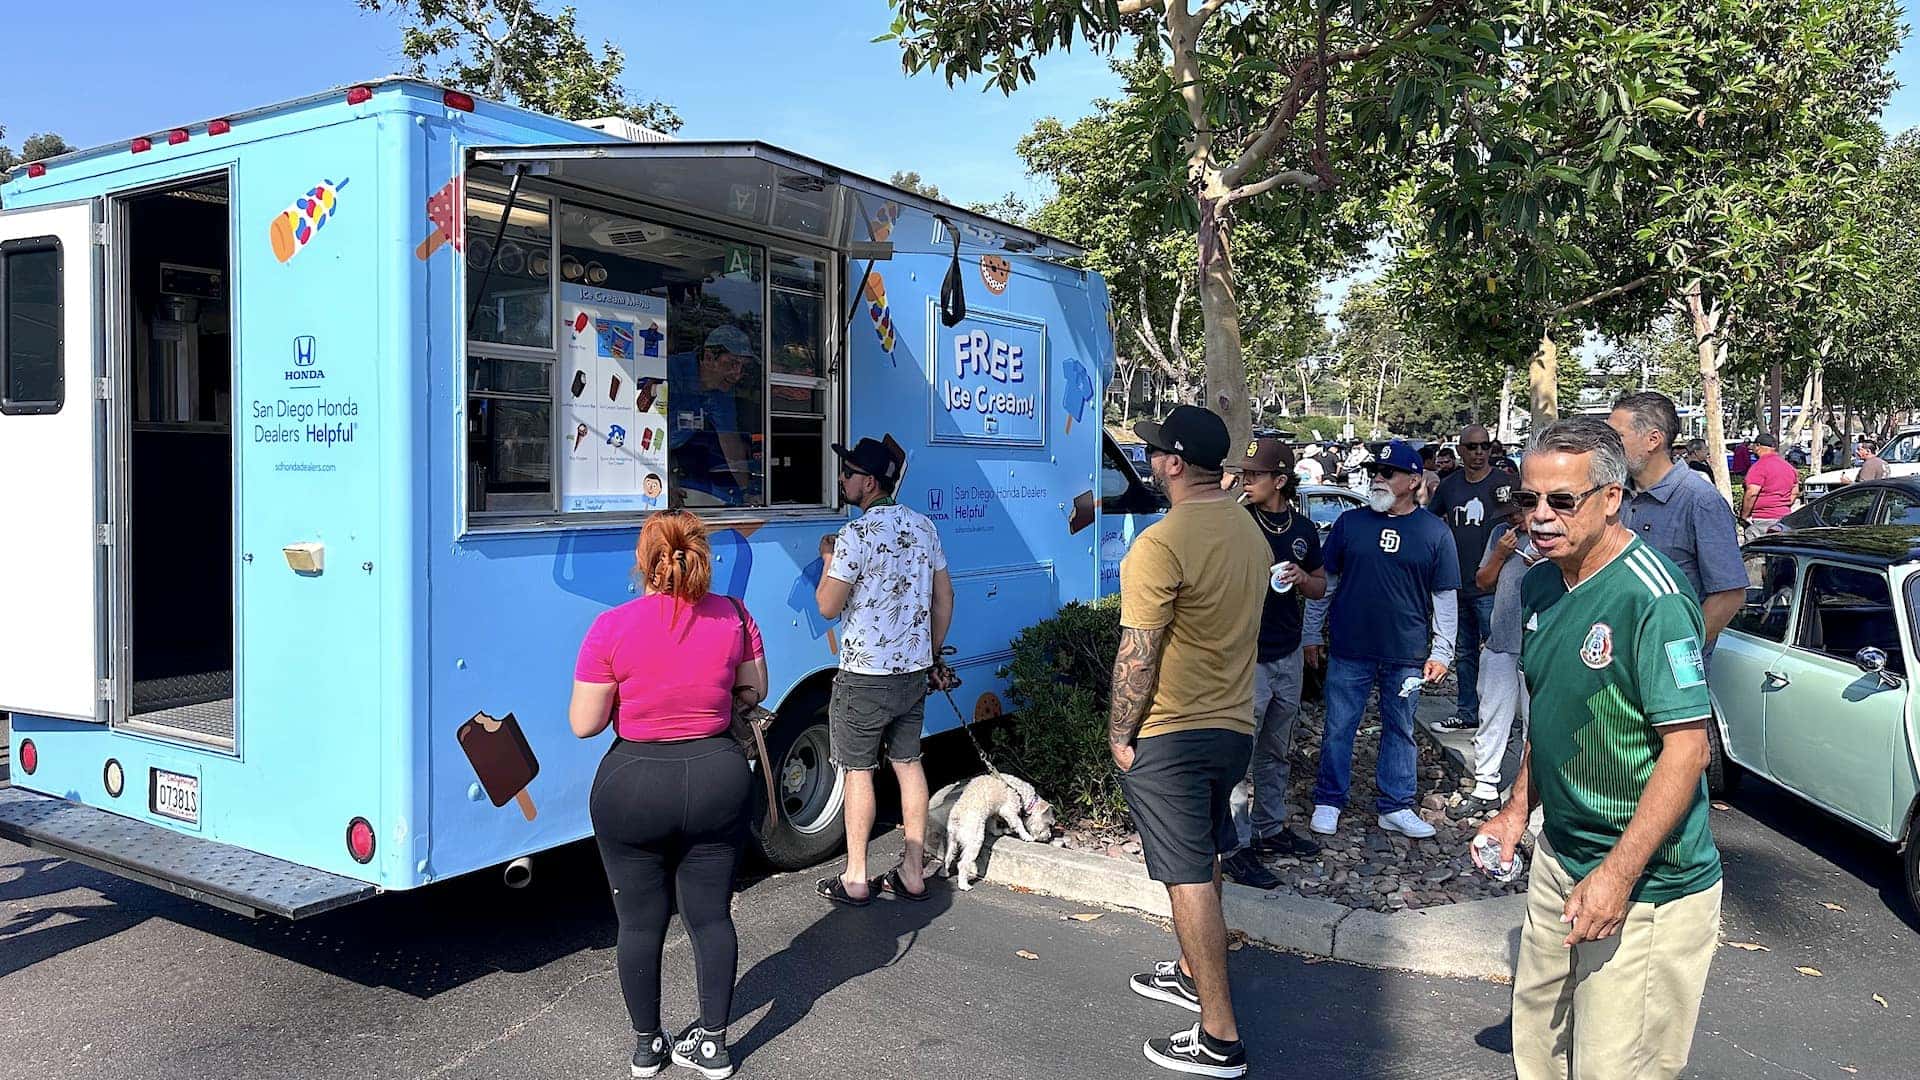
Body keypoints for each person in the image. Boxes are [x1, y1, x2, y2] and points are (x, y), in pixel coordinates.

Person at [1474, 418, 1722, 1080]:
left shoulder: (1655, 597)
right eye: (1528, 501)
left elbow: (1688, 750)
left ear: (1611, 498)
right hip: (1562, 857)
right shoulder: (1539, 584)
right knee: (1540, 1047)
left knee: (1614, 1067)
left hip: (1646, 883)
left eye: (1563, 500)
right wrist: (1516, 811)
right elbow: (1555, 714)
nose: (1540, 517)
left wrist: (1616, 875)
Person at [569, 510, 766, 1079]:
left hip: (633, 784)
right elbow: (756, 689)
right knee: (710, 916)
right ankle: (713, 1046)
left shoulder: (611, 626)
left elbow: (585, 723)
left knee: (638, 923)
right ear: (703, 555)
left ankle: (648, 1047)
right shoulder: (734, 614)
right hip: (717, 777)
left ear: (644, 561)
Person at [1110, 405, 1266, 1078]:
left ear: (1174, 463)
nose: (1148, 459)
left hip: (1172, 734)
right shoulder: (1248, 530)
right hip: (1232, 728)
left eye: (1154, 451)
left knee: (1185, 876)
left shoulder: (1161, 543)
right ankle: (1186, 972)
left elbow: (1136, 656)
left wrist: (1120, 732)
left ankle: (1219, 1037)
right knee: (1204, 857)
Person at [815, 436, 955, 906]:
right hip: (912, 674)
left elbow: (828, 605)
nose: (842, 479)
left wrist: (829, 561)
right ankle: (913, 873)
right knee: (908, 765)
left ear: (869, 483)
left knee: (859, 772)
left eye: (848, 473)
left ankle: (857, 877)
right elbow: (944, 599)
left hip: (864, 677)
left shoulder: (854, 536)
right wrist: (930, 654)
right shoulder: (924, 527)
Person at [1301, 439, 1459, 840]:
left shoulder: (1434, 532)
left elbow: (1444, 596)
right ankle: (1329, 799)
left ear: (1413, 480)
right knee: (1339, 725)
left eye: (1387, 473)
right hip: (1350, 647)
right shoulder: (1349, 524)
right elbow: (1328, 584)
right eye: (1375, 471)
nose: (1378, 478)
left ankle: (1396, 804)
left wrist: (1443, 651)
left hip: (1405, 652)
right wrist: (1310, 633)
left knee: (1401, 728)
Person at [1222, 437, 1328, 889]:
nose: (1247, 481)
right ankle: (1235, 847)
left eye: (1255, 475)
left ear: (1280, 480)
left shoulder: (1303, 530)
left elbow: (1321, 586)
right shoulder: (1237, 522)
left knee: (1276, 751)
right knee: (1237, 757)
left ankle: (1270, 829)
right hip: (1247, 657)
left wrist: (1302, 576)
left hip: (1286, 655)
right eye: (1244, 474)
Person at [1609, 393, 1747, 653]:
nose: (1609, 446)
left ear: (1653, 439)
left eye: (1618, 437)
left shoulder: (1700, 501)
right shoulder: (1615, 496)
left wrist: (1678, 653)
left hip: (1668, 677)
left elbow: (1730, 595)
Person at [1428, 424, 1520, 732]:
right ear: (1460, 450)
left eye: (1484, 446)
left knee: (1502, 654)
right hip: (1456, 582)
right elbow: (1430, 522)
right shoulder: (1450, 486)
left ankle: (1506, 719)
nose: (1479, 452)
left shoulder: (1503, 483)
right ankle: (1468, 712)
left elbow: (1519, 521)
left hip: (1495, 584)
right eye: (1472, 447)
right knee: (1465, 653)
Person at [1460, 494, 1540, 815]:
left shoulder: (1552, 532)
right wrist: (1500, 554)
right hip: (1501, 640)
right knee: (1492, 714)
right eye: (1507, 515)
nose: (1513, 521)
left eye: (1517, 514)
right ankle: (1485, 786)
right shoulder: (1500, 535)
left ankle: (1532, 793)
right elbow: (1482, 581)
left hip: (1538, 645)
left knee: (1537, 724)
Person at [668, 325, 760, 506]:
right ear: (709, 357)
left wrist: (747, 492)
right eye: (732, 364)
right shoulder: (672, 372)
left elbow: (730, 443)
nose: (738, 375)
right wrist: (663, 485)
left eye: (743, 367)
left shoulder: (721, 391)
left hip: (672, 454)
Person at [1739, 433, 1799, 541]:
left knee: (1756, 554)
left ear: (1758, 446)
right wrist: (1781, 505)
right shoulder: (1788, 467)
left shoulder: (1759, 467)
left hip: (1762, 520)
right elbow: (1795, 492)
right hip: (1783, 519)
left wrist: (1744, 515)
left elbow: (1752, 493)